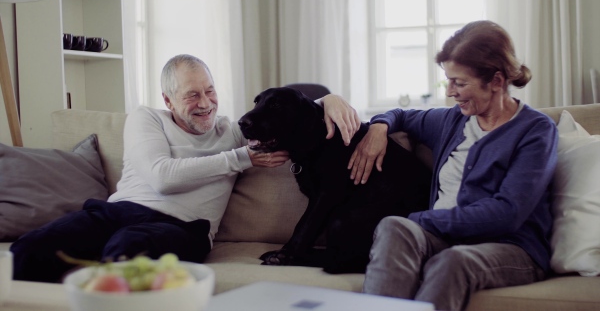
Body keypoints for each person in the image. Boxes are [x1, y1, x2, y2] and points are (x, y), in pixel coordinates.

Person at [10, 54, 361, 283]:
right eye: (192, 95)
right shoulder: (146, 118)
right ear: (168, 100)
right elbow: (162, 177)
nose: (206, 104)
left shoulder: (232, 131)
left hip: (184, 229)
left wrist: (326, 99)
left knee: (125, 252)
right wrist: (241, 159)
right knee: (28, 249)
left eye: (210, 91)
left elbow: (287, 113)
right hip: (115, 212)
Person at [349, 21, 558, 310]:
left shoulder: (536, 131)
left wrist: (424, 219)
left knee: (453, 260)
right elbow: (401, 114)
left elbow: (507, 213)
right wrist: (379, 127)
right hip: (444, 239)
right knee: (395, 226)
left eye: (459, 83)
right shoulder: (452, 121)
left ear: (497, 81)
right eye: (448, 80)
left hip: (512, 249)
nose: (450, 91)